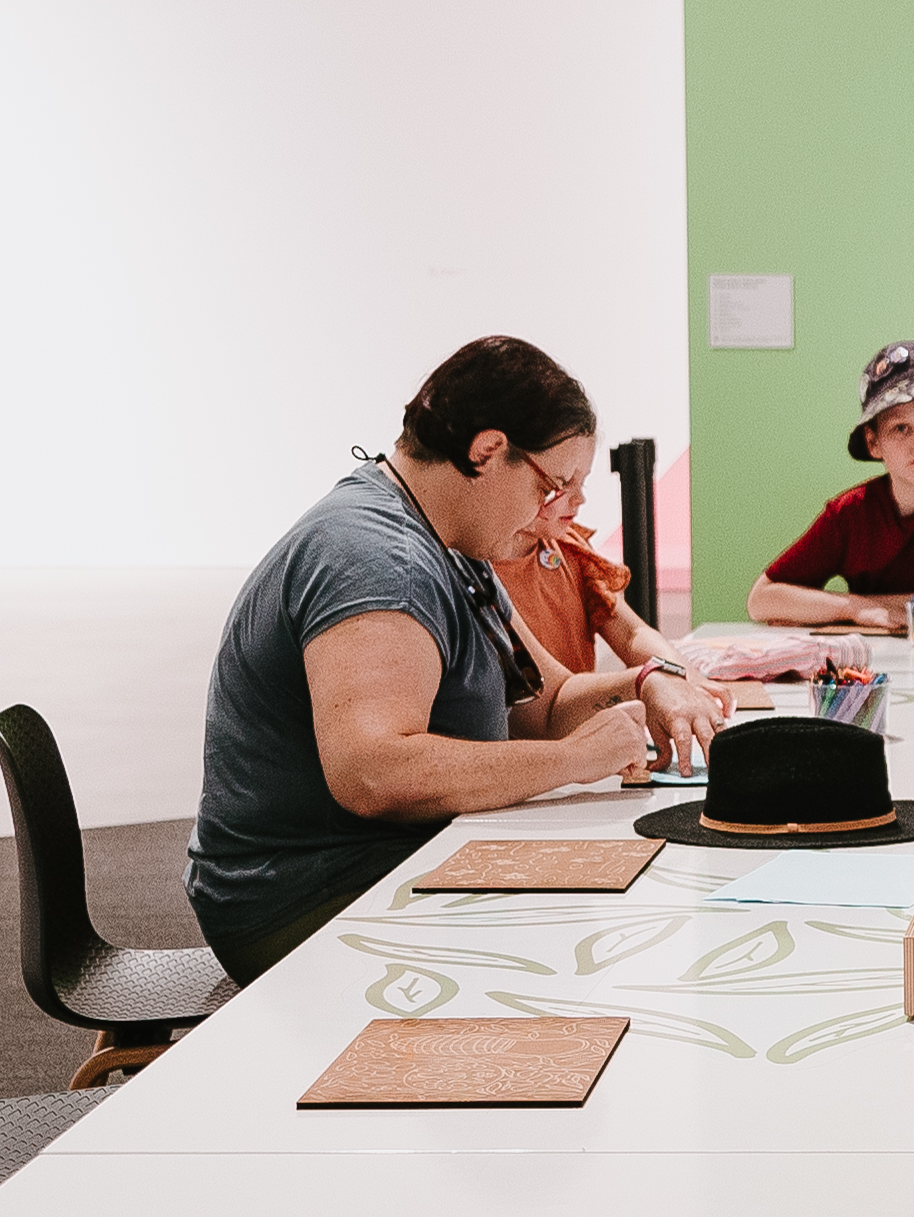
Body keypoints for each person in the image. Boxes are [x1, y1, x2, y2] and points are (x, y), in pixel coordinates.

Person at [185, 337, 712, 981]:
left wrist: (648, 679)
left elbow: (543, 704)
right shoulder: (382, 561)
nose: (564, 513)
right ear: (487, 451)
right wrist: (572, 762)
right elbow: (372, 771)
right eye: (555, 486)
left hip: (372, 870)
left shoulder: (451, 545)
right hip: (307, 903)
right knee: (621, 943)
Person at [750, 340, 914, 630]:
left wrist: (837, 607)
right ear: (874, 443)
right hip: (877, 660)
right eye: (901, 428)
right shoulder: (850, 513)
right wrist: (856, 608)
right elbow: (761, 600)